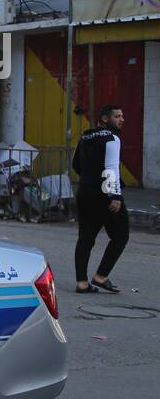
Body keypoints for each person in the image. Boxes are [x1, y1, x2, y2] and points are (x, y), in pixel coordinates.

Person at [72, 104, 129, 294]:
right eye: (117, 116)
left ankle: (82, 282)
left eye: (121, 116)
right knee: (121, 235)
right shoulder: (112, 139)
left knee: (85, 238)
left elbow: (76, 165)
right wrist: (115, 196)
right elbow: (112, 168)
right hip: (105, 194)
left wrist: (89, 178)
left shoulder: (85, 136)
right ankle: (101, 276)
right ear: (105, 119)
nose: (122, 119)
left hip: (85, 192)